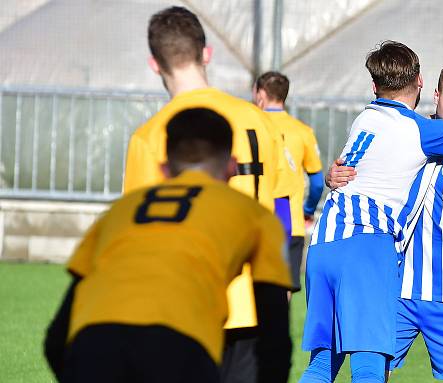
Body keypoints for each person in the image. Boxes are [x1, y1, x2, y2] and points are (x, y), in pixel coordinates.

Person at [300, 41, 443, 383]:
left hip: (332, 245)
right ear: (429, 88)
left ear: (373, 86)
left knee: (324, 364)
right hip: (382, 268)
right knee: (369, 367)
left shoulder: (367, 119)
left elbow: (350, 170)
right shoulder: (420, 132)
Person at [44, 108, 292, 383]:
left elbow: (56, 338)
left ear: (163, 170)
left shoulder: (119, 211)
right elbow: (274, 332)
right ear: (232, 166)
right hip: (178, 348)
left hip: (94, 346)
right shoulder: (254, 215)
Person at [122, 7, 290, 382]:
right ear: (207, 53)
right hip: (256, 302)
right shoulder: (258, 121)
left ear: (154, 63)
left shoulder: (150, 138)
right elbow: (279, 207)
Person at [253, 71, 325, 294]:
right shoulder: (302, 131)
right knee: (284, 286)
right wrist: (308, 209)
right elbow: (317, 183)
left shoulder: (251, 126)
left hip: (256, 216)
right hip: (288, 217)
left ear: (261, 94)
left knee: (253, 287)